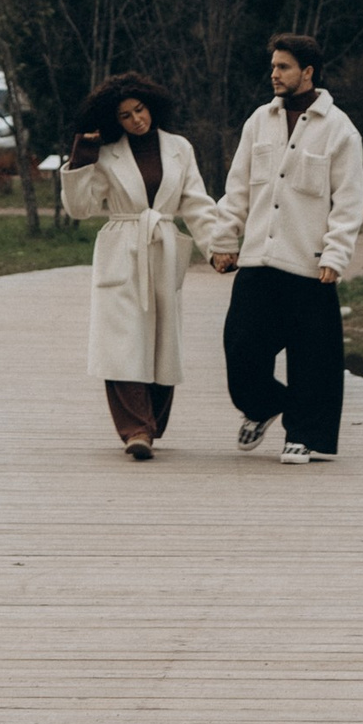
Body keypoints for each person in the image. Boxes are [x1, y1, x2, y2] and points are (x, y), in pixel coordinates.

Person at [206, 34, 363, 463]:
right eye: (274, 66)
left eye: (283, 67)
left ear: (307, 72)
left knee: (313, 358)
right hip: (258, 258)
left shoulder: (340, 130)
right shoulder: (259, 120)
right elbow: (237, 187)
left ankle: (305, 434)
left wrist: (335, 255)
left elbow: (348, 202)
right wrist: (223, 240)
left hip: (309, 264)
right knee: (240, 349)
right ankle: (262, 406)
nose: (274, 74)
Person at [60, 74, 219, 459]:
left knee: (164, 339)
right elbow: (80, 209)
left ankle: (152, 423)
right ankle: (136, 430)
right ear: (114, 120)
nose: (136, 120)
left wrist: (218, 247)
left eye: (140, 109)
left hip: (162, 244)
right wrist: (81, 159)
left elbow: (196, 202)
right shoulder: (108, 151)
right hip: (121, 245)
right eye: (125, 115)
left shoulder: (179, 148)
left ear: (152, 105)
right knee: (121, 340)